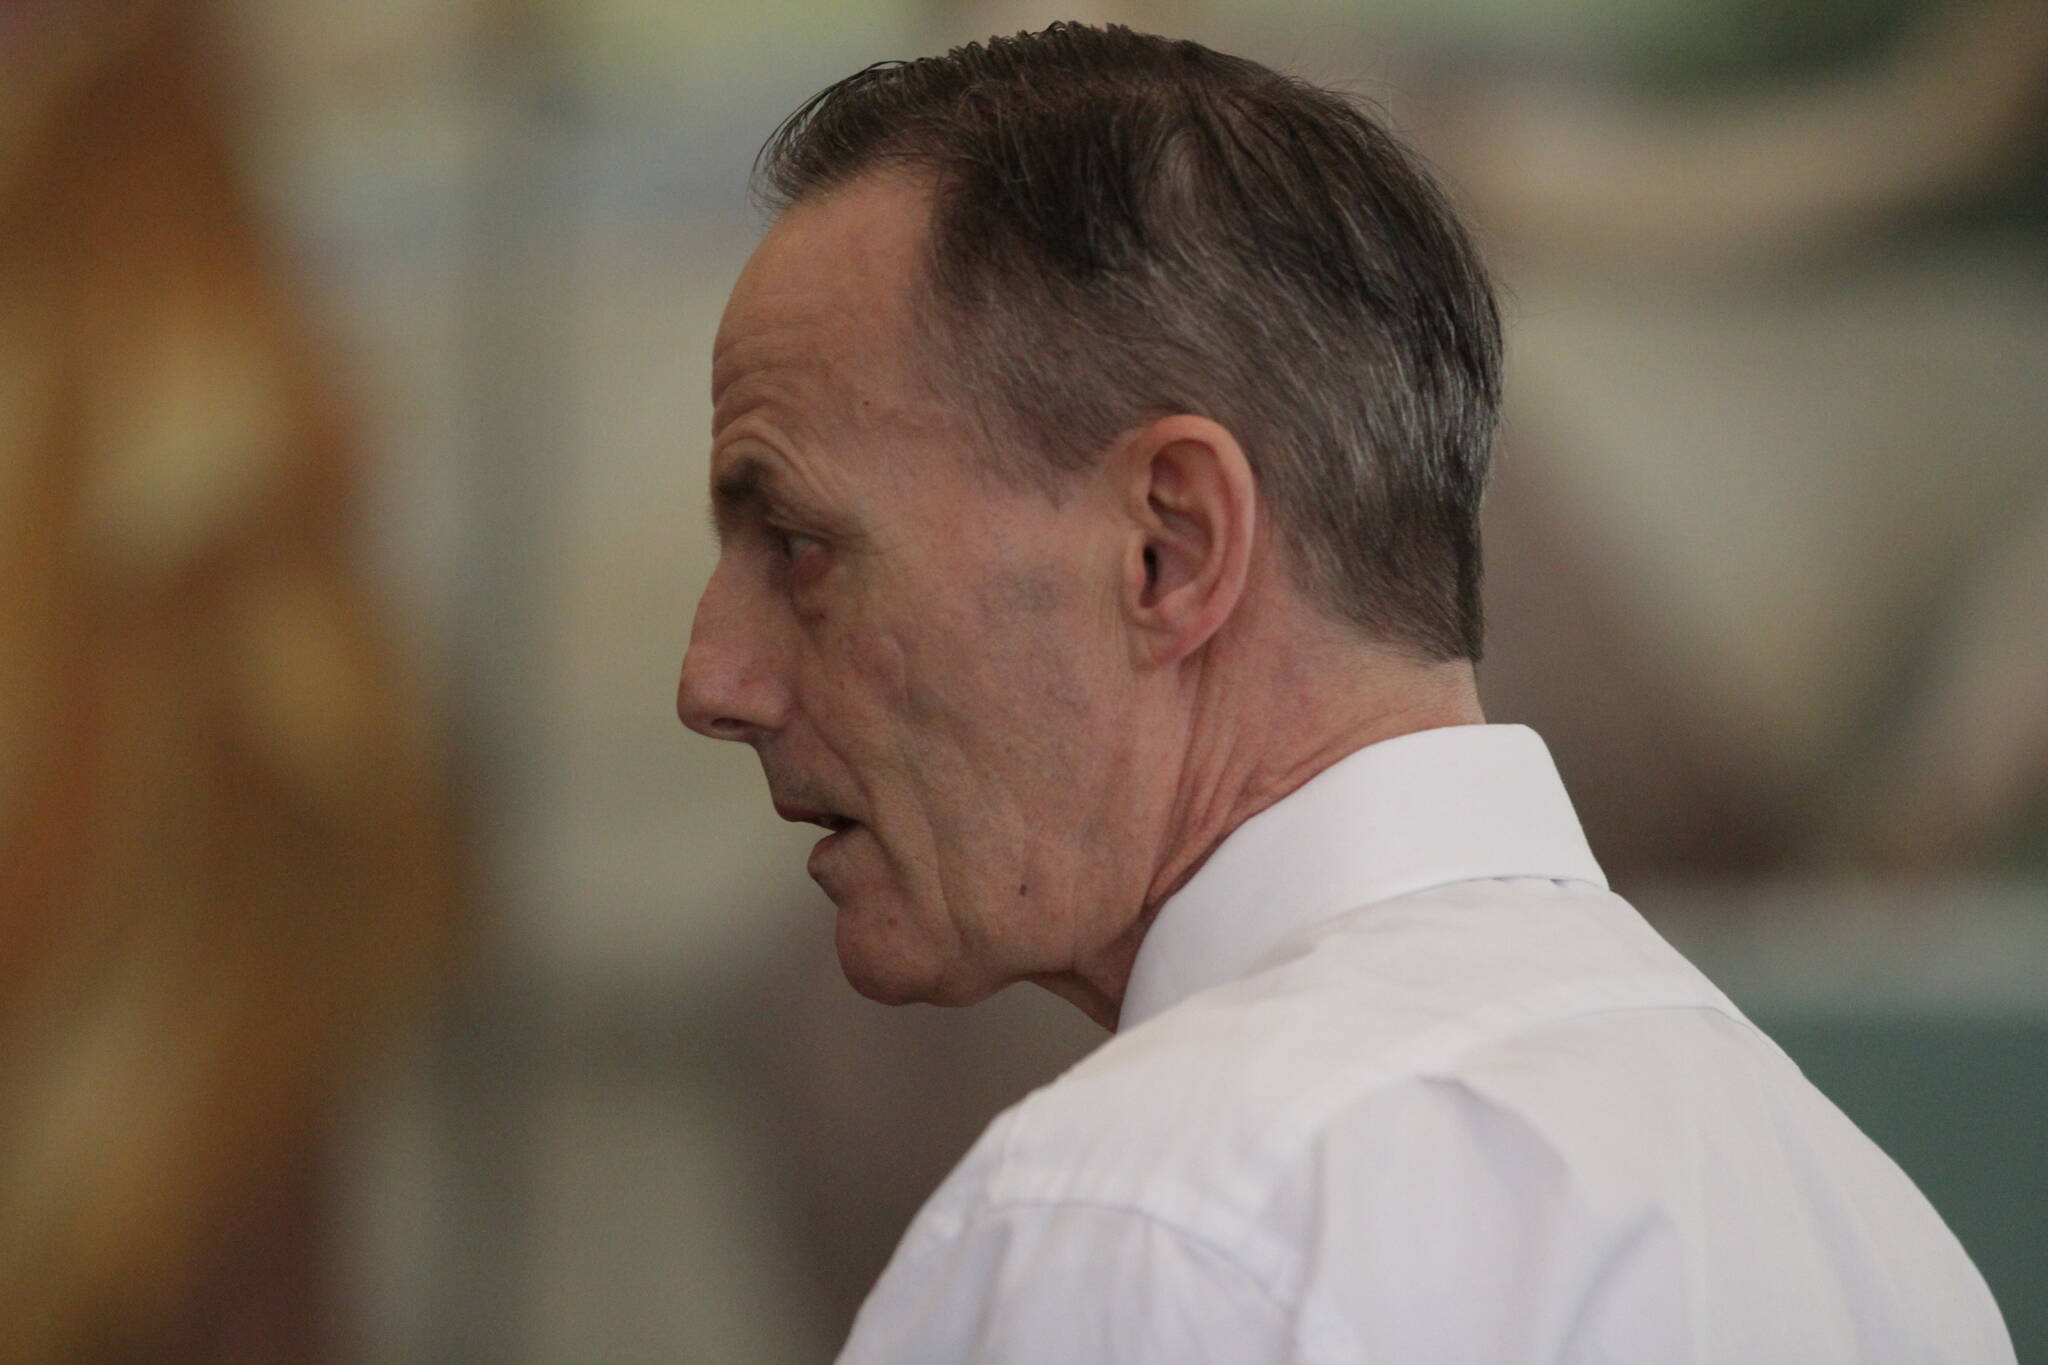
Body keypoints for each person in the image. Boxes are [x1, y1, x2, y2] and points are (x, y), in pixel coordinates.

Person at [675, 23, 2013, 1363]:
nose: (711, 681)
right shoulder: (1864, 1225)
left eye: (801, 547)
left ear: (1170, 547)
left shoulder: (1134, 1226)